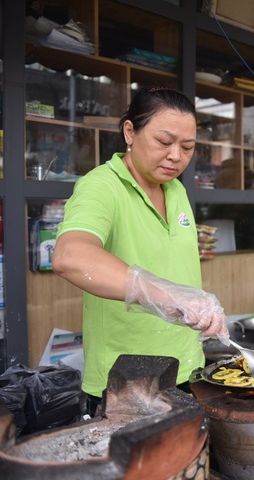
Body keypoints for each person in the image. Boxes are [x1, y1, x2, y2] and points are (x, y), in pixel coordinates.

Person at [53, 86, 229, 411]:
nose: (176, 156)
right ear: (130, 132)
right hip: (127, 383)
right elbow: (71, 256)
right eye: (164, 142)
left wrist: (199, 307)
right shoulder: (101, 186)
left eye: (187, 147)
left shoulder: (175, 189)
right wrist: (168, 295)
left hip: (187, 366)